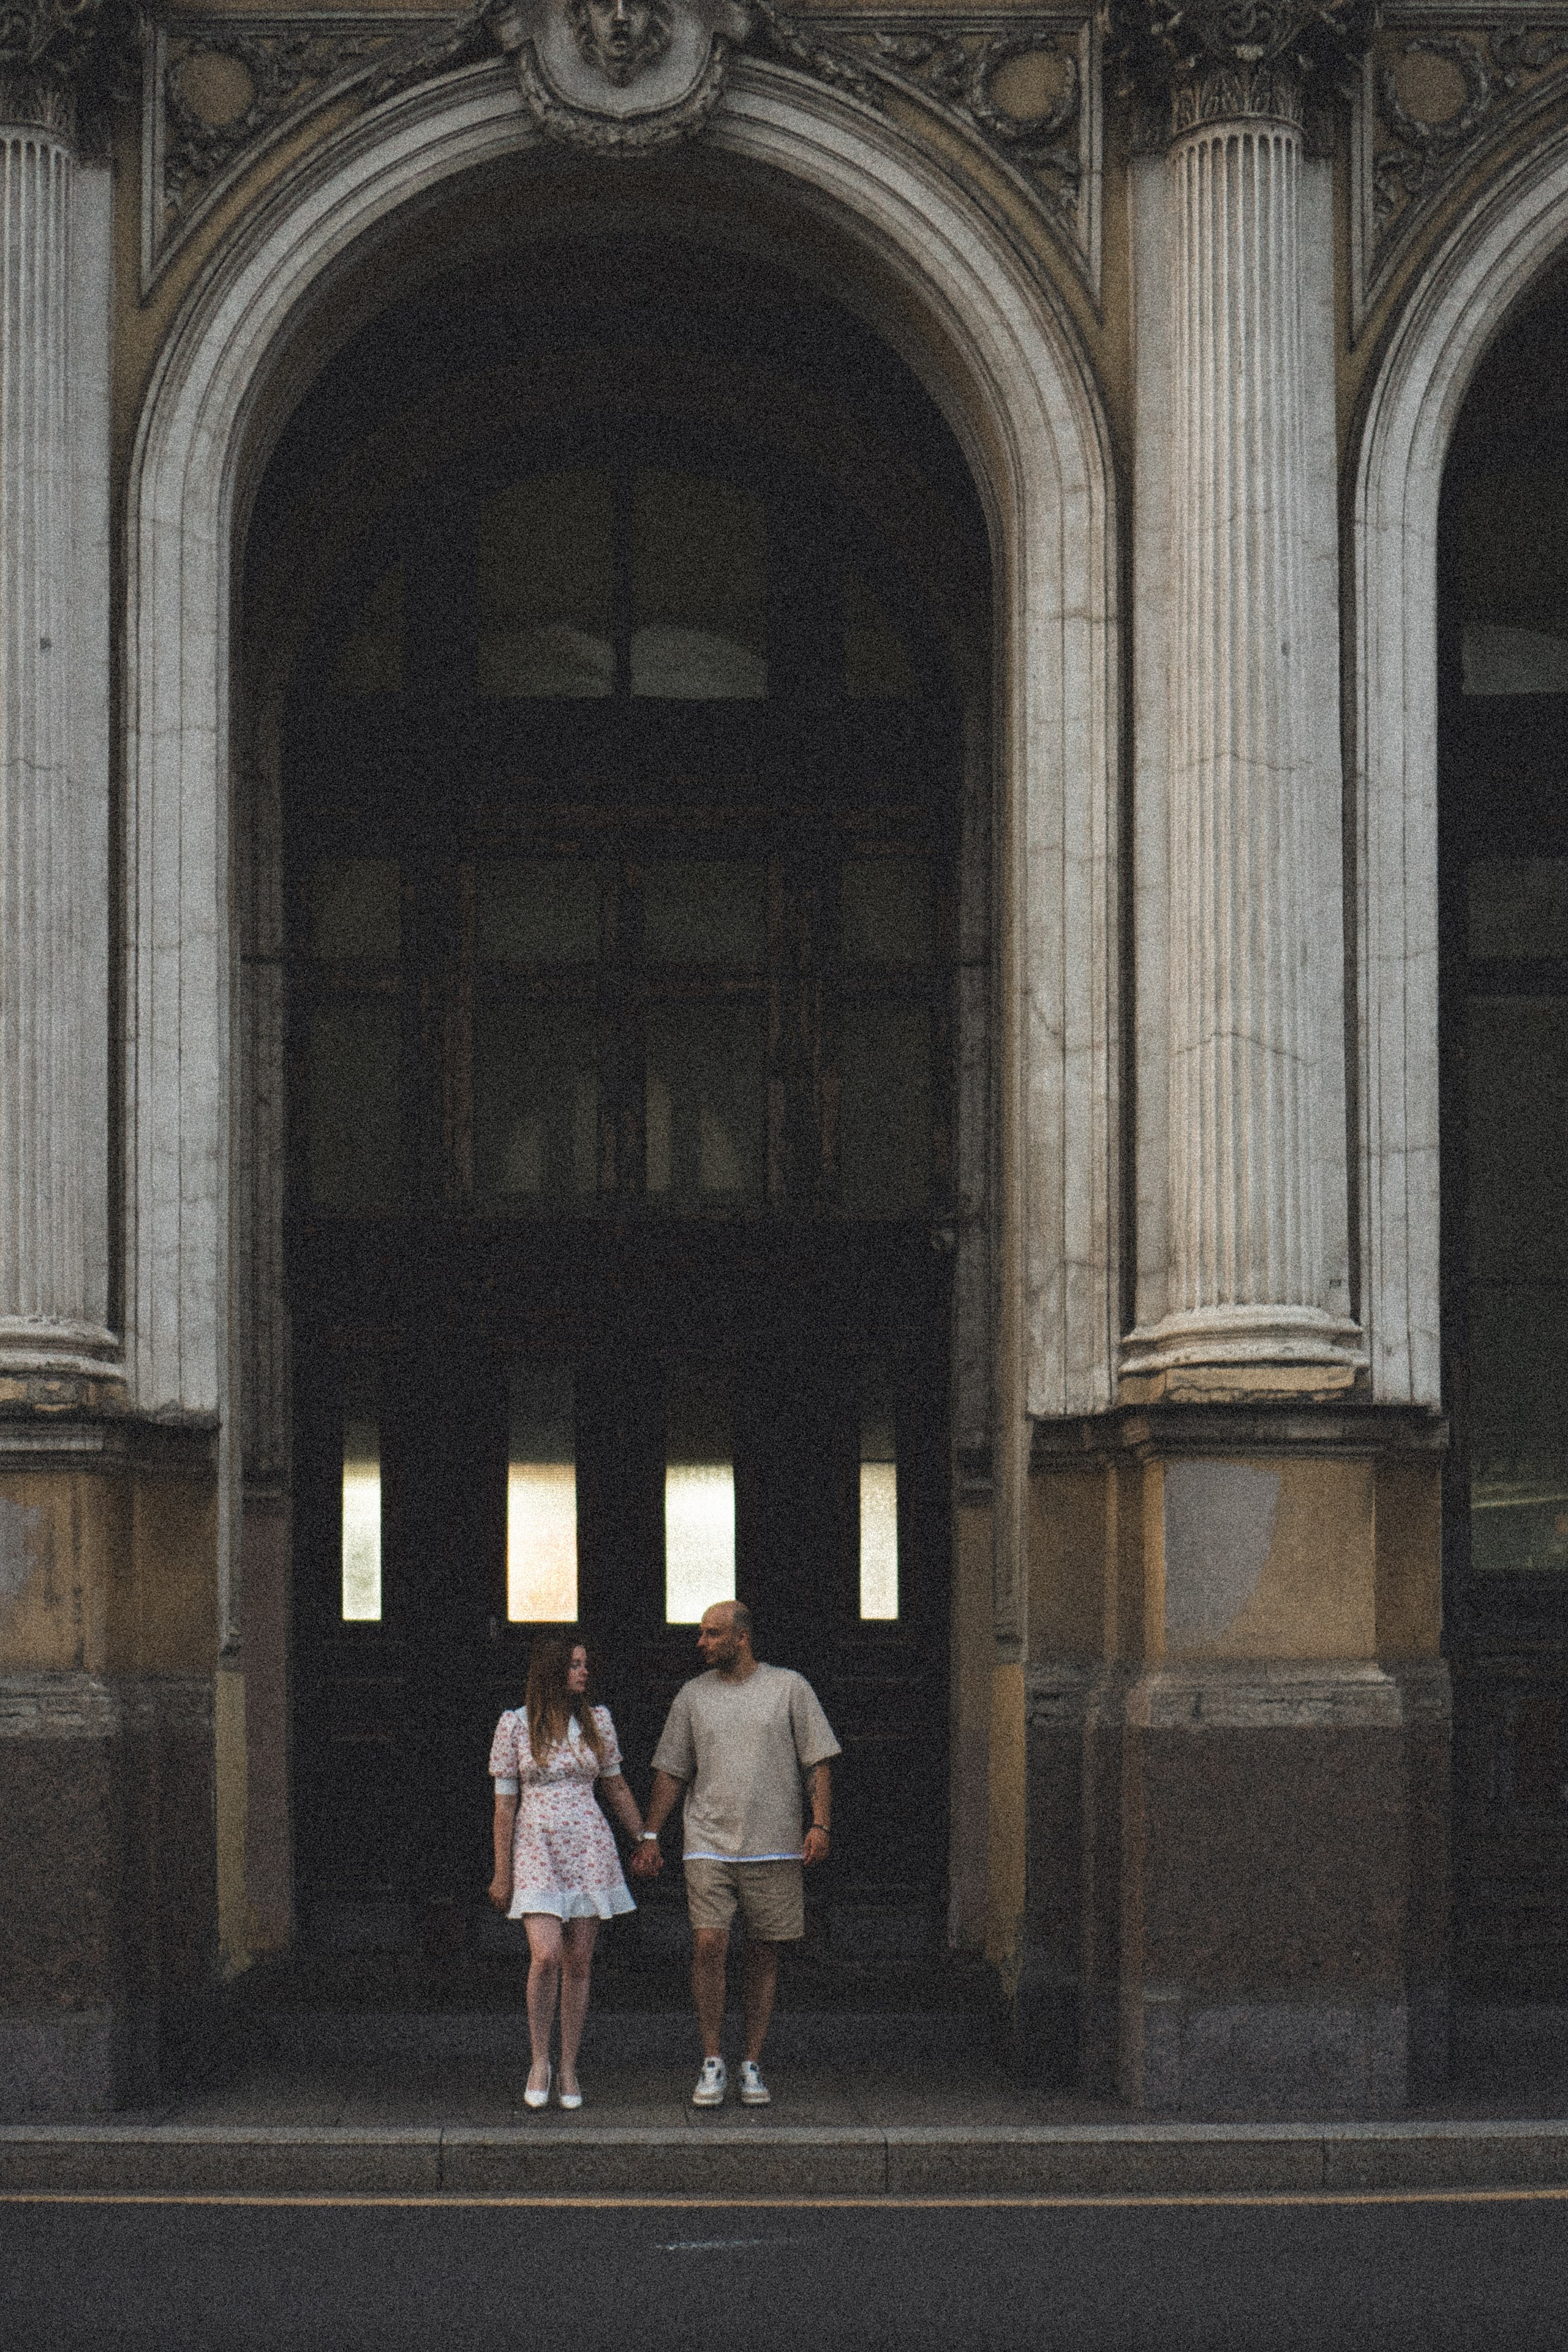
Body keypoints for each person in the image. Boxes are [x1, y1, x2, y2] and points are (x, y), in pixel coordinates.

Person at [630, 1598, 840, 2108]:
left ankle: (751, 2061)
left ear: (740, 1638)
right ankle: (712, 2060)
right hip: (708, 1842)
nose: (699, 1642)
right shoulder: (692, 1697)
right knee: (708, 1944)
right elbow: (672, 1770)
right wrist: (651, 1836)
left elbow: (818, 1760)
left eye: (710, 1634)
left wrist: (820, 1823)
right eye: (701, 1633)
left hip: (774, 1844)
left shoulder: (789, 1688)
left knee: (765, 1952)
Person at [488, 1637, 656, 2111]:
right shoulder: (515, 1725)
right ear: (553, 1671)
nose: (584, 1672)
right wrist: (502, 1874)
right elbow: (505, 1806)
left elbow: (616, 1784)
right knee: (546, 1955)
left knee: (579, 1960)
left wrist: (644, 1837)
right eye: (575, 1665)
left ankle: (568, 2065)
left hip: (588, 1846)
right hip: (537, 1847)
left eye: (586, 1664)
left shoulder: (596, 1721)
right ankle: (539, 2059)